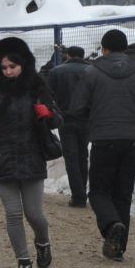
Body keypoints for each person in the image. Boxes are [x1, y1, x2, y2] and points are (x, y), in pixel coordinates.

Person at [64, 27, 135, 260]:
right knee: (122, 194)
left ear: (104, 49)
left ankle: (111, 226)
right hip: (132, 140)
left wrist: (94, 112)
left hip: (103, 139)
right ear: (125, 48)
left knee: (99, 192)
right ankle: (118, 248)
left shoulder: (92, 73)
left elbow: (77, 107)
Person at [0, 37, 60, 268]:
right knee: (14, 214)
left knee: (34, 214)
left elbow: (57, 120)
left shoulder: (38, 88)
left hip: (32, 159)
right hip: (1, 160)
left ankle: (43, 241)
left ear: (23, 65)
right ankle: (23, 260)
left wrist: (48, 113)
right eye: (3, 67)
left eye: (12, 67)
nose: (7, 72)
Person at [46, 44, 92, 208]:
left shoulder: (57, 71)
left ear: (68, 56)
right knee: (83, 155)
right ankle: (82, 192)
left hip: (65, 119)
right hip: (86, 119)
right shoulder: (92, 71)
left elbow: (48, 95)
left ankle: (78, 196)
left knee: (71, 157)